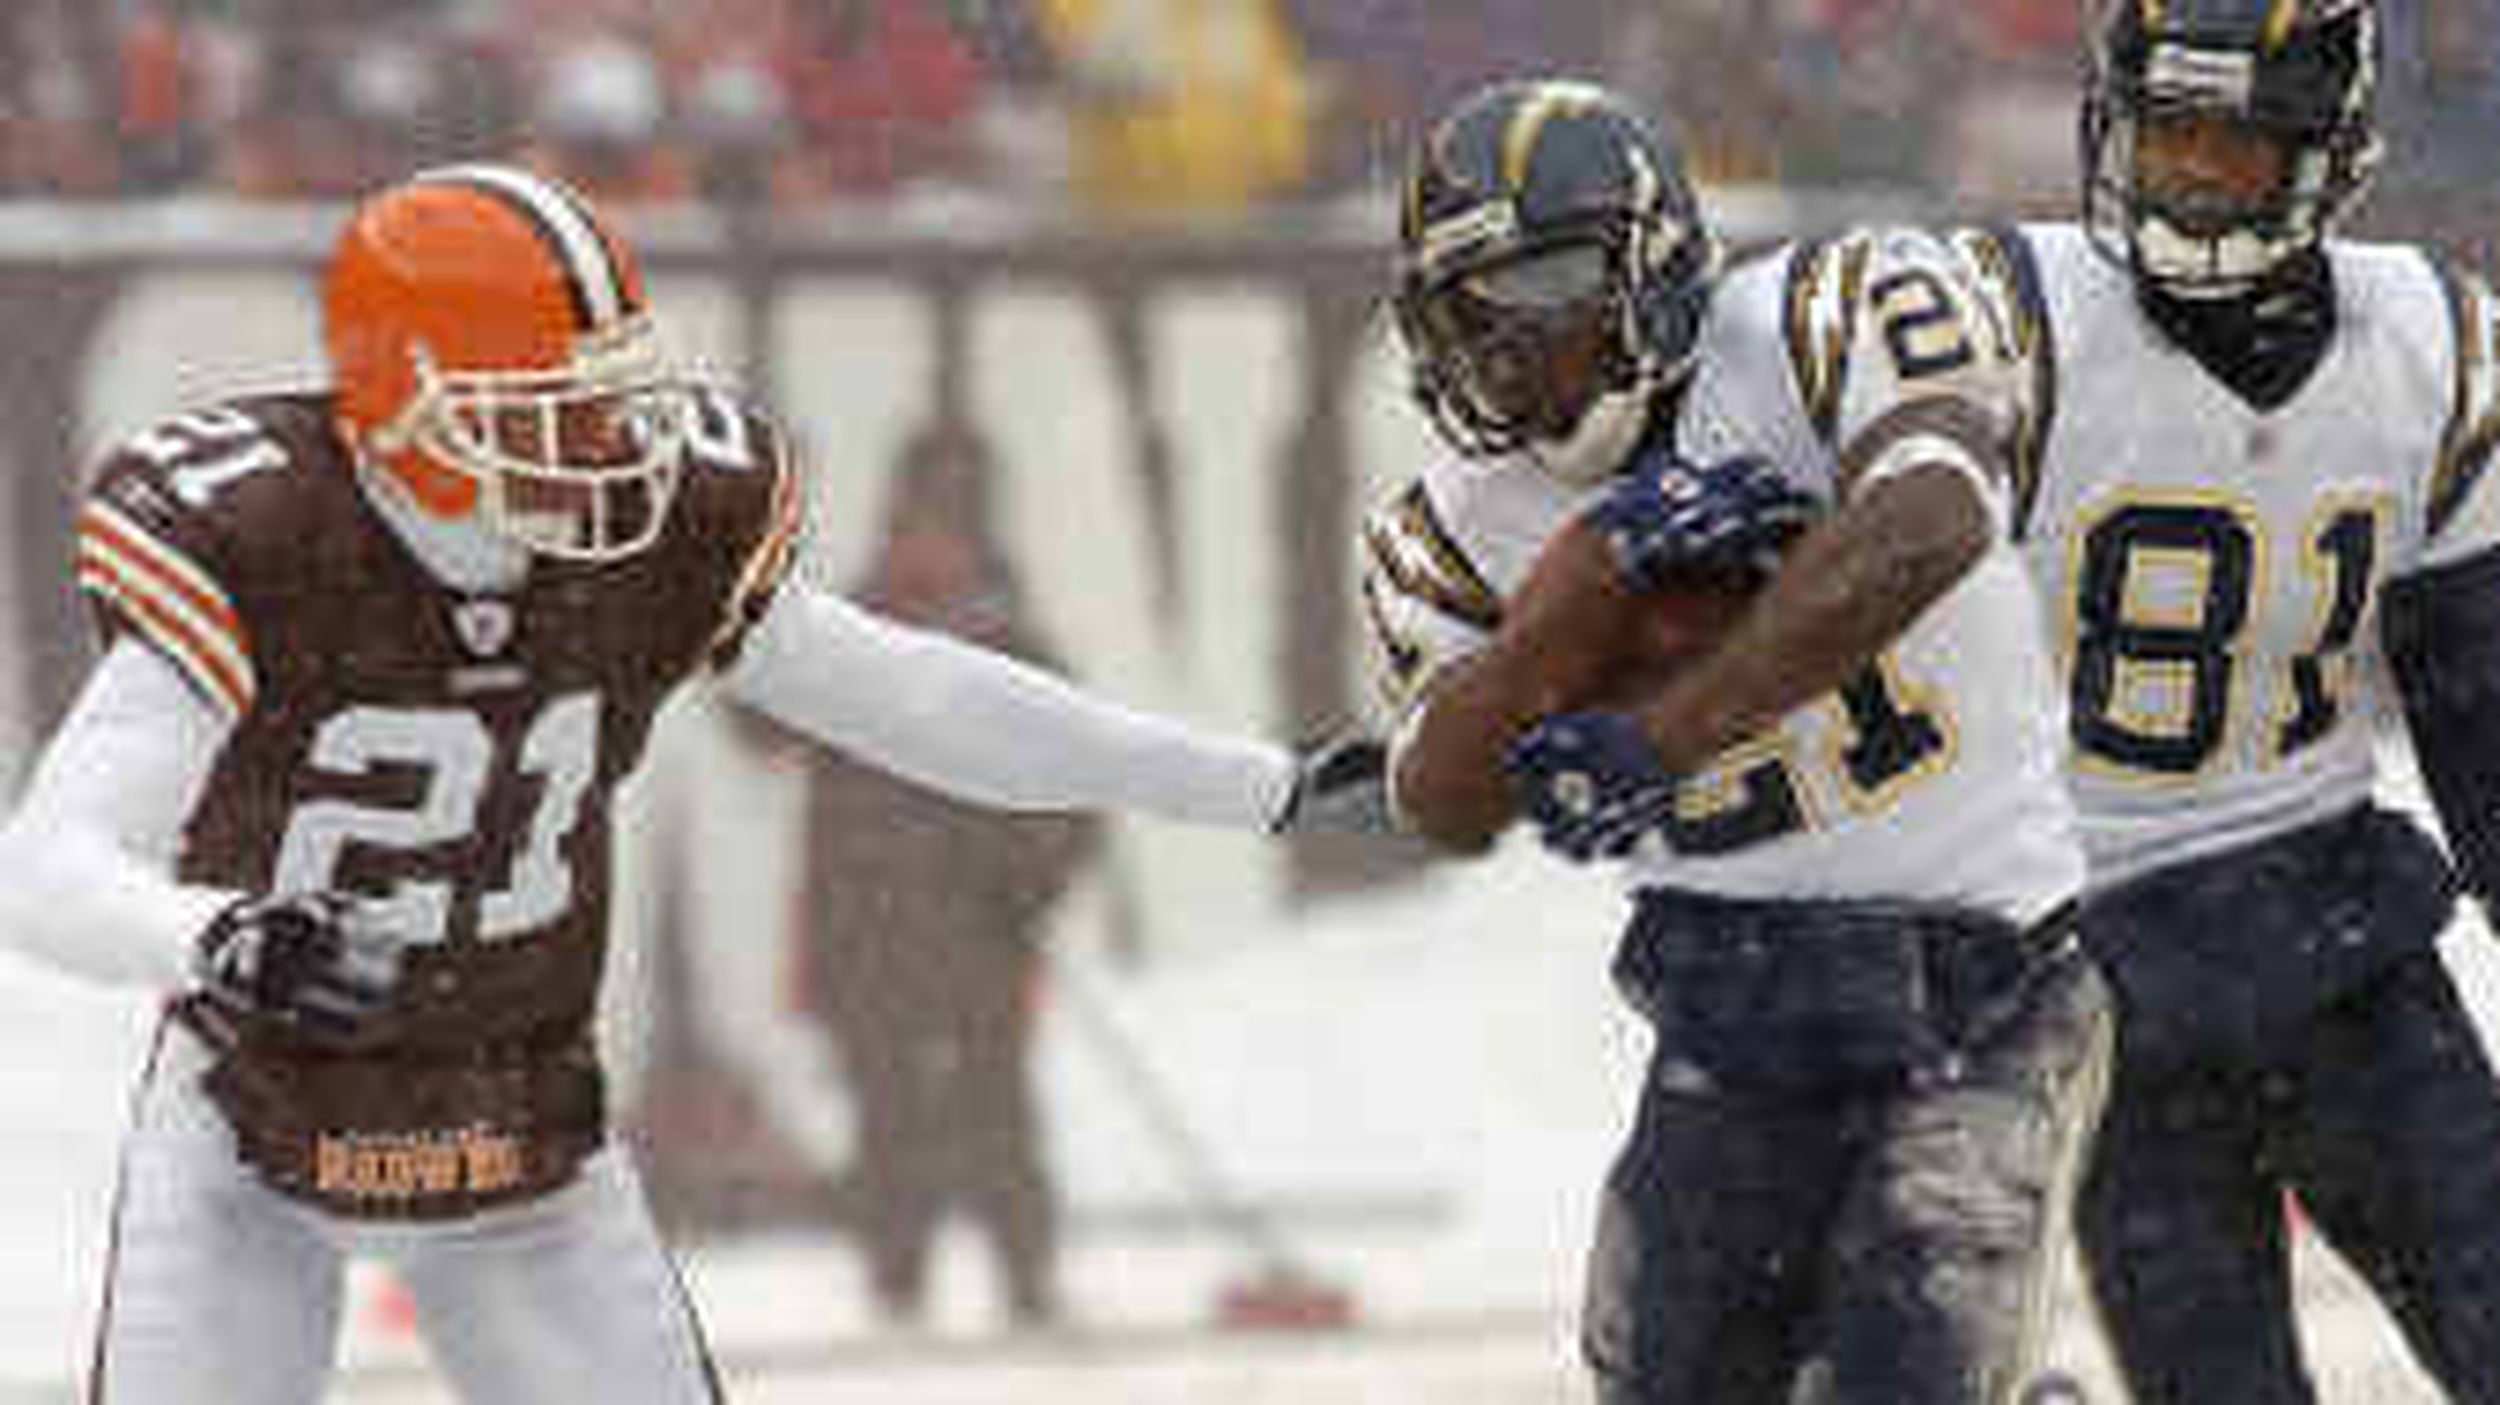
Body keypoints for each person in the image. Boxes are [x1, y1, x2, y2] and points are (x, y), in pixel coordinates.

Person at [0, 161, 1378, 1404]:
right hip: (254, 1142)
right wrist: (215, 935)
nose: (612, 446)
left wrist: (1254, 783)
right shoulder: (262, 536)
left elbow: (917, 695)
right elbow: (44, 864)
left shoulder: (656, 540)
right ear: (404, 404)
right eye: (556, 410)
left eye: (613, 398)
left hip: (523, 1143)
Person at [1360, 78, 2109, 1403]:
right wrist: (1565, 612)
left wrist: (1668, 729)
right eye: (1472, 312)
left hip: (1982, 978)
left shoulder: (1826, 321)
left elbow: (1934, 518)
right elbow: (1444, 800)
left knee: (1913, 1364)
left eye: (1544, 286)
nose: (1508, 347)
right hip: (1731, 1006)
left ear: (1653, 260)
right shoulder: (1467, 519)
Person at [1943, 1, 2500, 1399]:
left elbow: (2478, 699)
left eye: (2236, 147)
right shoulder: (1999, 324)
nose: (2190, 176)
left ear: (2329, 150)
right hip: (2100, 979)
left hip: (2340, 943)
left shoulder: (2431, 342)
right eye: (2168, 133)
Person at [789, 449, 1097, 1330]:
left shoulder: (1014, 647)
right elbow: (761, 727)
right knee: (888, 1114)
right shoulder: (839, 637)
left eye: (940, 531)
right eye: (909, 529)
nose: (923, 550)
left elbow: (1081, 784)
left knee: (995, 1107)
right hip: (866, 927)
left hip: (981, 931)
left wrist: (1031, 881)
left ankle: (1027, 1276)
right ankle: (896, 1283)